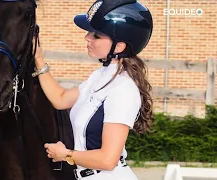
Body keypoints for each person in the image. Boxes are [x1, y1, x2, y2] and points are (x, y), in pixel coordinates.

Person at [32, 0, 153, 179]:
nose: (87, 37)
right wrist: (38, 58)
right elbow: (60, 98)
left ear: (119, 46)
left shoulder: (123, 90)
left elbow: (107, 159)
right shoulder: (101, 76)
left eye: (96, 35)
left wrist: (65, 154)